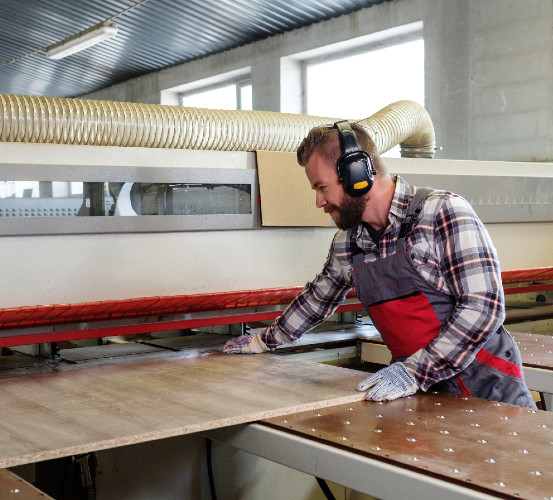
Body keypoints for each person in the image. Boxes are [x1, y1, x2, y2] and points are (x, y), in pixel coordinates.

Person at [224, 120, 536, 408]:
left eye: (321, 187)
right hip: (418, 390)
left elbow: (484, 308)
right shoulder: (349, 245)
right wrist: (264, 341)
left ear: (357, 174)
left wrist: (414, 372)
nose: (318, 201)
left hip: (486, 384)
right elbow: (317, 300)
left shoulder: (442, 213)